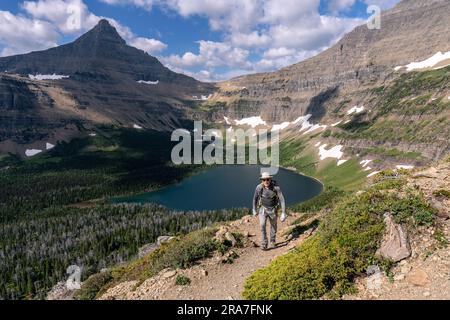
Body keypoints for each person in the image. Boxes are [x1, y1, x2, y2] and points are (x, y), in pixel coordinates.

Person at [252, 172, 286, 250]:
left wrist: (283, 213)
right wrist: (254, 209)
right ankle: (264, 243)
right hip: (263, 209)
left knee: (273, 226)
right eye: (264, 180)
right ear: (262, 180)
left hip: (273, 209)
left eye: (267, 179)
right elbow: (255, 199)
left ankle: (272, 241)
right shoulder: (259, 188)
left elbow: (282, 199)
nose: (266, 181)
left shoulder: (276, 188)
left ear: (270, 179)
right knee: (262, 224)